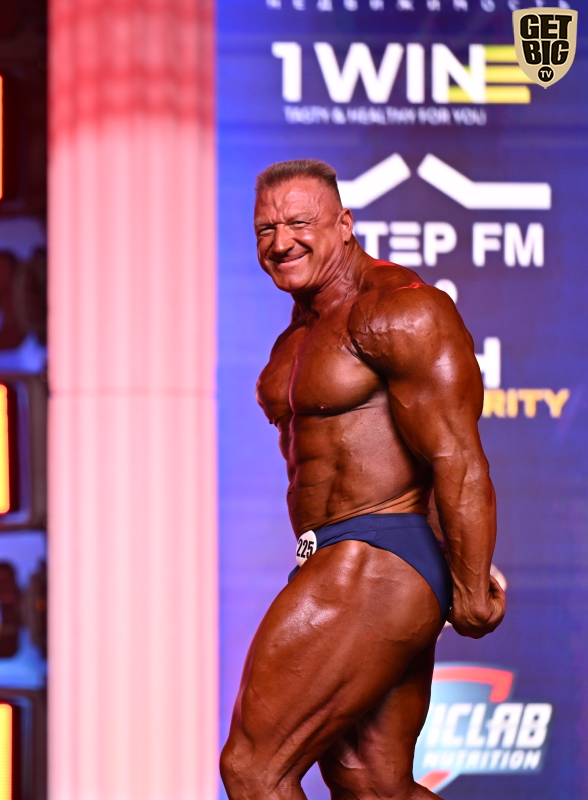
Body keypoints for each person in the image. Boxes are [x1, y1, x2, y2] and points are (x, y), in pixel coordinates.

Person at [219, 159, 505, 800]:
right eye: (265, 229)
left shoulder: (399, 310)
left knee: (254, 768)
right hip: (336, 557)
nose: (281, 242)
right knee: (372, 786)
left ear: (344, 224)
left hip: (377, 556)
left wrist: (471, 584)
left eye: (299, 223)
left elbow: (456, 456)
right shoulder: (298, 334)